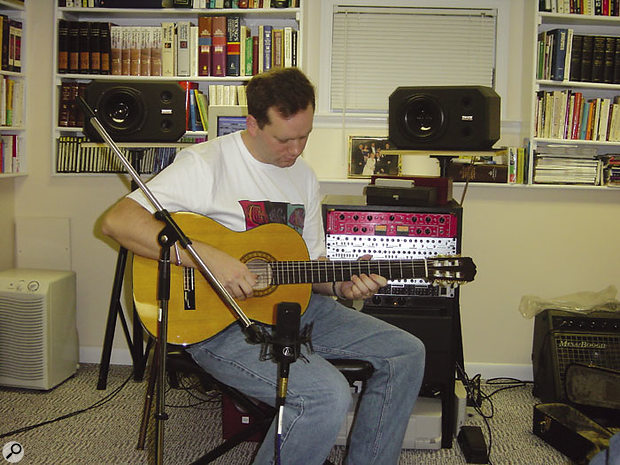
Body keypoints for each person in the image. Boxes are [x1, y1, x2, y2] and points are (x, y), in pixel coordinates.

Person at [101, 67, 425, 465]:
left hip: (295, 307)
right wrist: (211, 258)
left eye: (305, 136)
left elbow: (309, 266)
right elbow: (118, 221)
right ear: (253, 124)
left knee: (406, 352)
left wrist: (340, 286)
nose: (296, 150)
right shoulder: (205, 163)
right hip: (218, 321)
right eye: (285, 139)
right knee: (326, 394)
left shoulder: (304, 178)